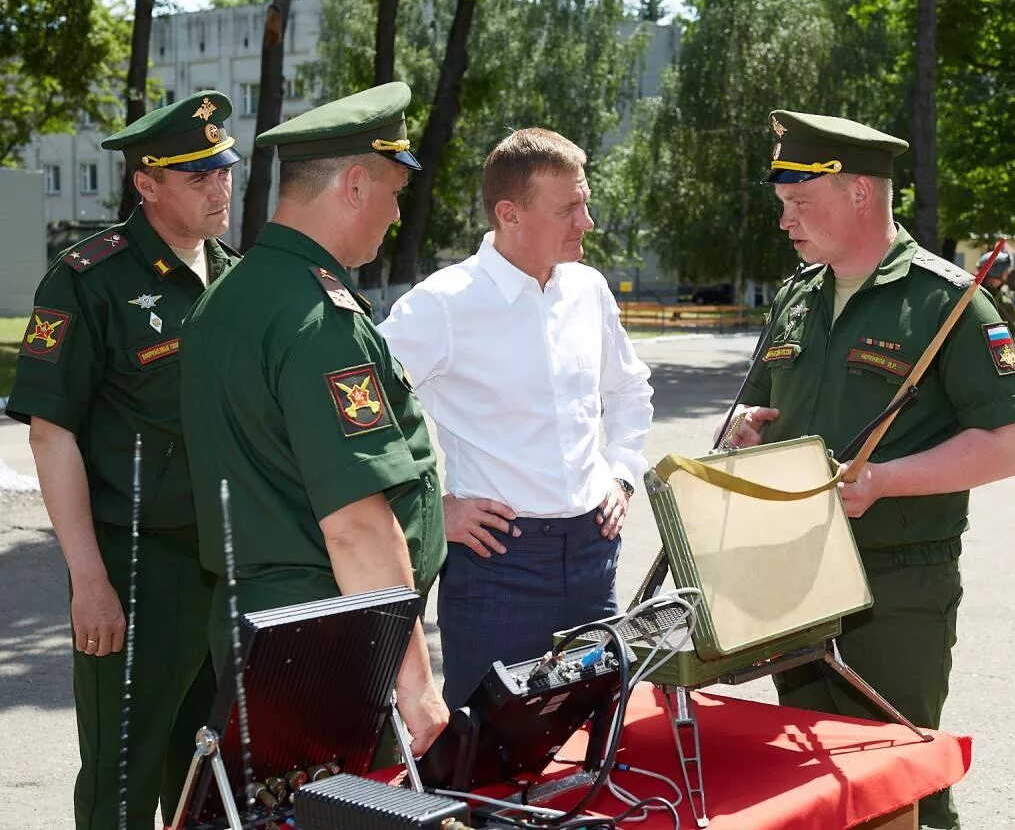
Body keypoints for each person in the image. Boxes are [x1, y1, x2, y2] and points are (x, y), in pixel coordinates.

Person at [724, 109, 1015, 830]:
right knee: (812, 779)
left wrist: (886, 479)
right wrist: (748, 428)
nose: (785, 222)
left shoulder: (946, 301)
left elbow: (1009, 444)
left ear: (860, 192)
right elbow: (767, 409)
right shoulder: (797, 298)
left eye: (800, 203)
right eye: (783, 205)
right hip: (798, 576)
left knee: (901, 775)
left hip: (895, 583)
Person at [179, 82, 448, 754]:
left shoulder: (226, 298)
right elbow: (357, 526)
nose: (393, 216)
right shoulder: (317, 319)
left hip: (263, 630)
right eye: (391, 194)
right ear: (353, 184)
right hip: (331, 642)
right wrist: (414, 680)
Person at [4, 91, 241, 829]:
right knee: (121, 779)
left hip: (229, 569)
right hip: (138, 567)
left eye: (224, 169)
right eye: (197, 175)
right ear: (147, 183)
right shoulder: (87, 280)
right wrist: (90, 582)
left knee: (215, 775)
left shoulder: (235, 276)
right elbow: (52, 434)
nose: (220, 186)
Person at [379, 128, 654, 709]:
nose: (588, 221)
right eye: (569, 208)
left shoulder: (589, 289)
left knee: (595, 735)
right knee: (486, 757)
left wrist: (622, 475)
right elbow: (356, 415)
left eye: (585, 201)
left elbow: (630, 389)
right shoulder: (443, 305)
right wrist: (430, 510)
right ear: (510, 214)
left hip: (592, 553)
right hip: (500, 563)